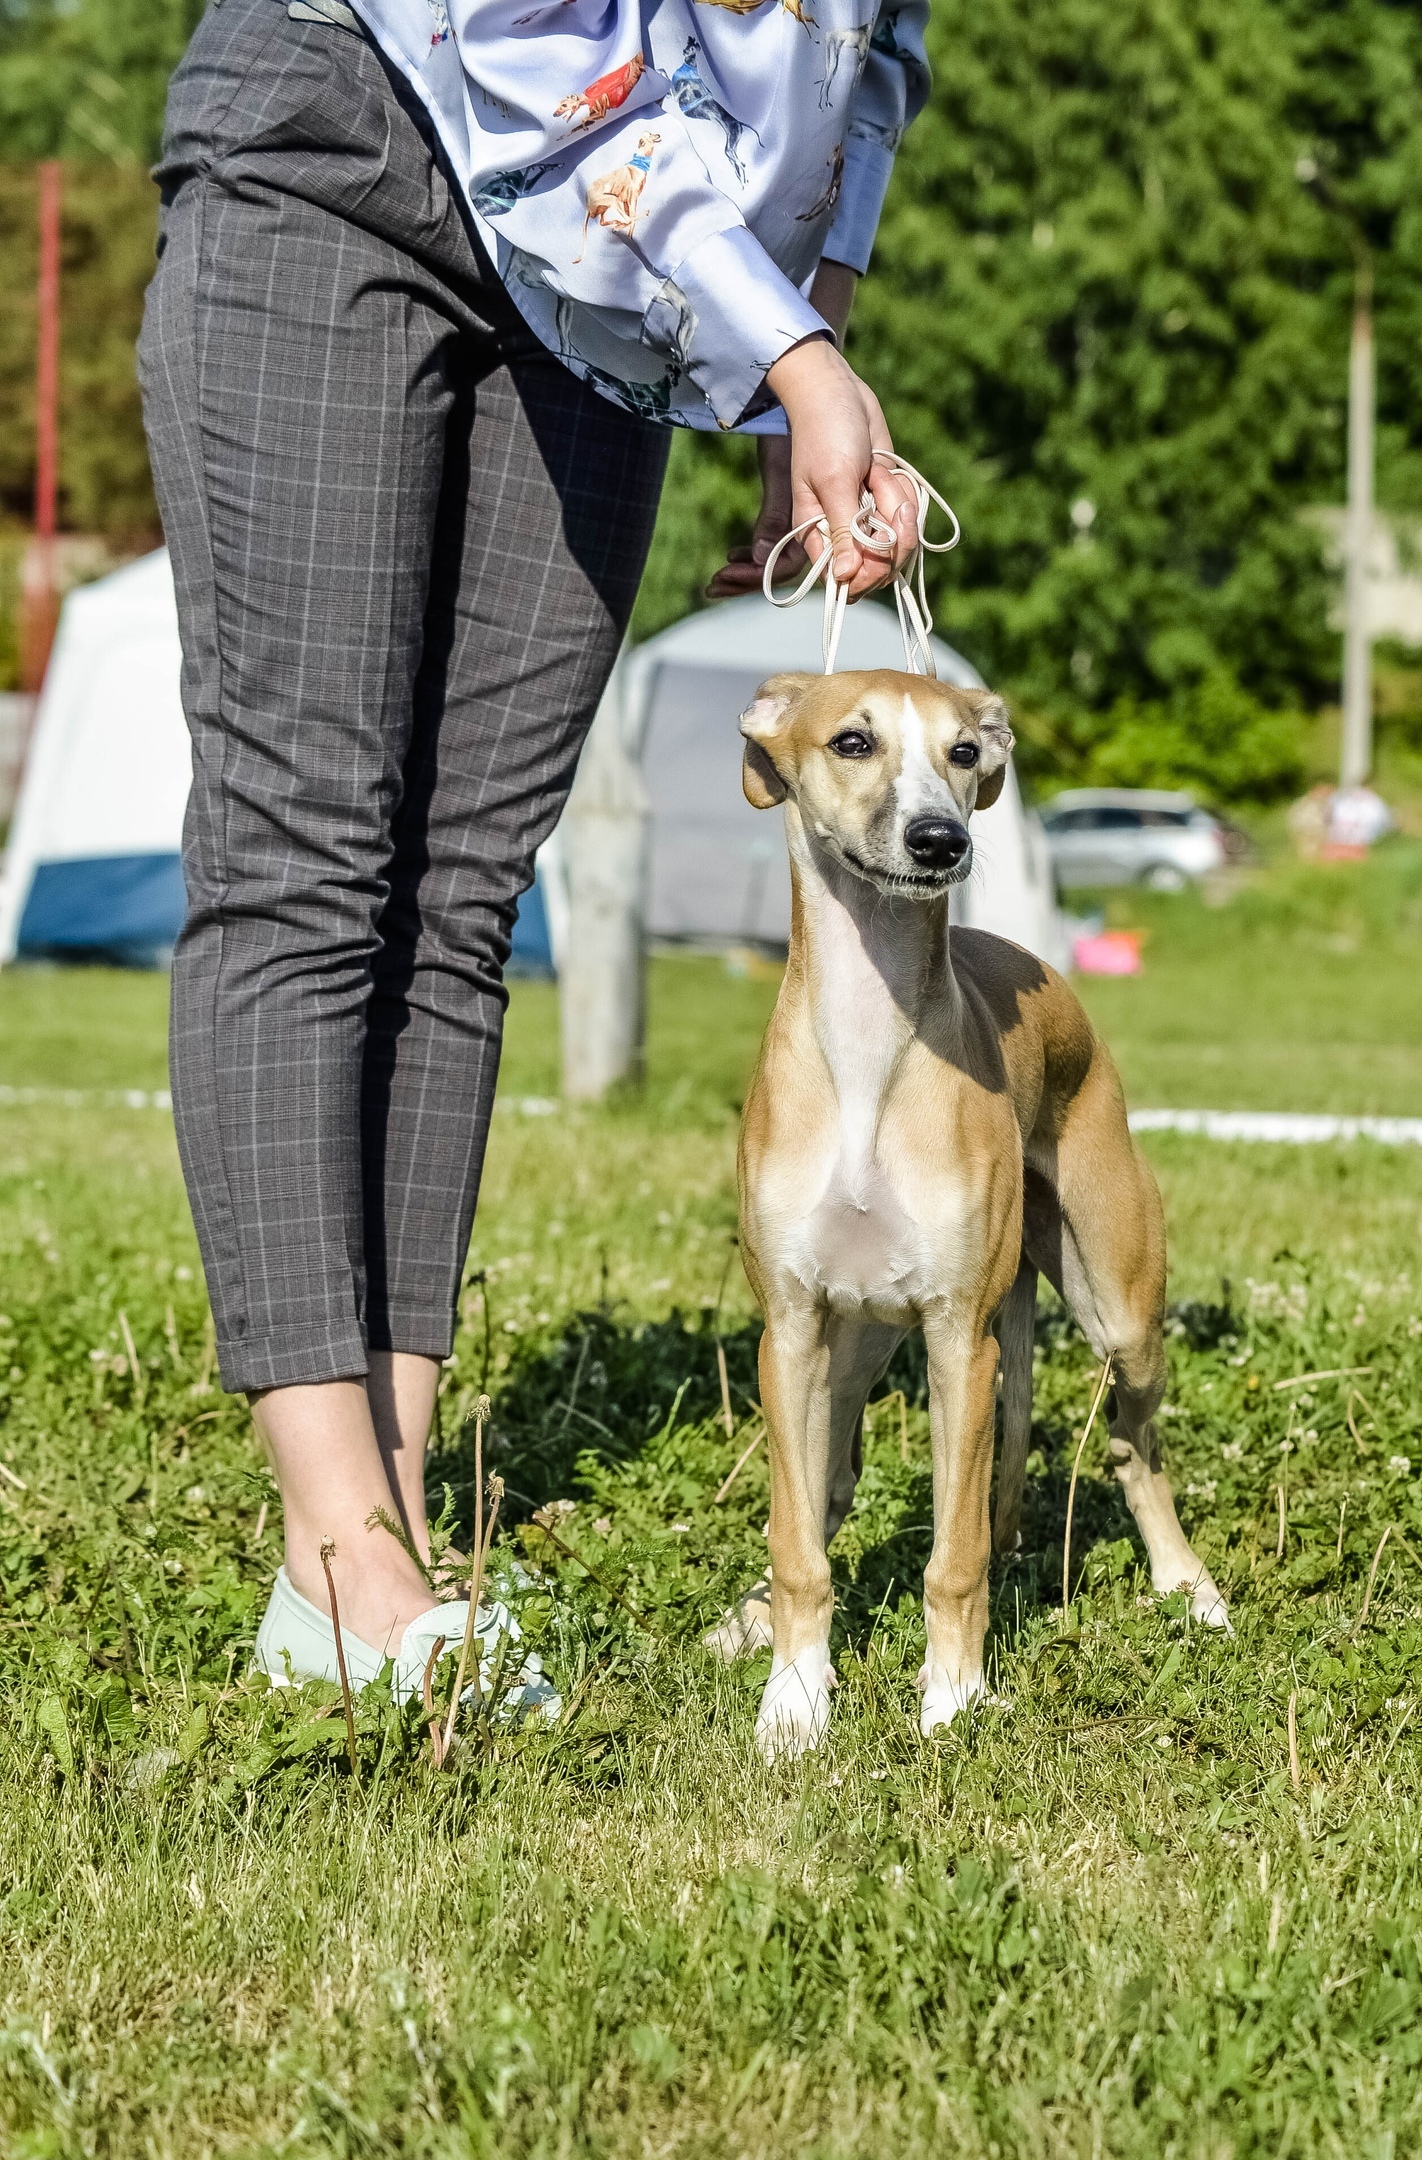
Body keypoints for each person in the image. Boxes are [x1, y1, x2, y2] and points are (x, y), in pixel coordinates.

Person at [139, 0, 930, 1702]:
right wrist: (786, 357)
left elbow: (872, 53)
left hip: (607, 275)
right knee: (307, 848)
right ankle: (341, 1547)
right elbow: (526, 42)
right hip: (351, 134)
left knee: (464, 880)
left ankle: (381, 1543)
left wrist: (807, 320)